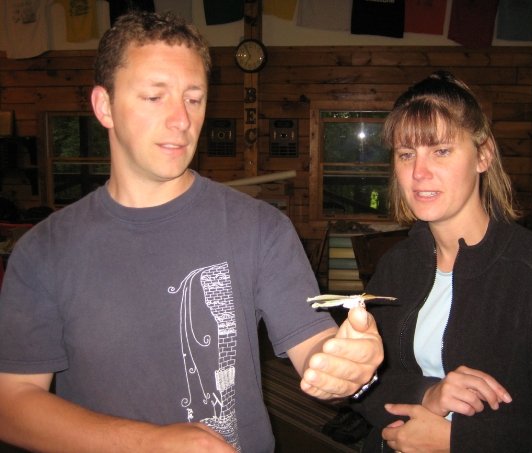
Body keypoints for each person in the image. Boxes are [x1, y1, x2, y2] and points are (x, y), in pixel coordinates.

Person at [0, 12, 383, 453]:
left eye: (194, 99)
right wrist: (149, 444)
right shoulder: (44, 250)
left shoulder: (260, 227)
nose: (181, 119)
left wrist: (345, 367)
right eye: (154, 97)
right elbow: (12, 403)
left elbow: (314, 347)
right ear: (104, 106)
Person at [351, 71, 532, 452]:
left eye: (441, 151)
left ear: (483, 156)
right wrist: (427, 394)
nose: (419, 172)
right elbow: (365, 384)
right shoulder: (396, 266)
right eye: (406, 154)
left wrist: (459, 441)